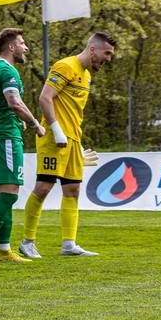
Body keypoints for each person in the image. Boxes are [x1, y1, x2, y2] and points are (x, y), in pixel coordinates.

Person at [19, 32, 116, 258]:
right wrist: (56, 130)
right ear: (93, 49)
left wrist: (75, 142)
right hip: (54, 138)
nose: (109, 58)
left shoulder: (86, 75)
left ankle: (69, 244)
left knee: (73, 190)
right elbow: (45, 98)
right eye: (107, 53)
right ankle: (27, 241)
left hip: (73, 139)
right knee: (43, 187)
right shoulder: (65, 66)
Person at [0, 28, 45, 265]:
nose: (26, 48)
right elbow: (14, 101)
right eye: (23, 43)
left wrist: (15, 119)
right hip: (4, 135)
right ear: (11, 47)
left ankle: (4, 249)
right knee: (10, 194)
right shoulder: (7, 70)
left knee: (7, 193)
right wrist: (34, 122)